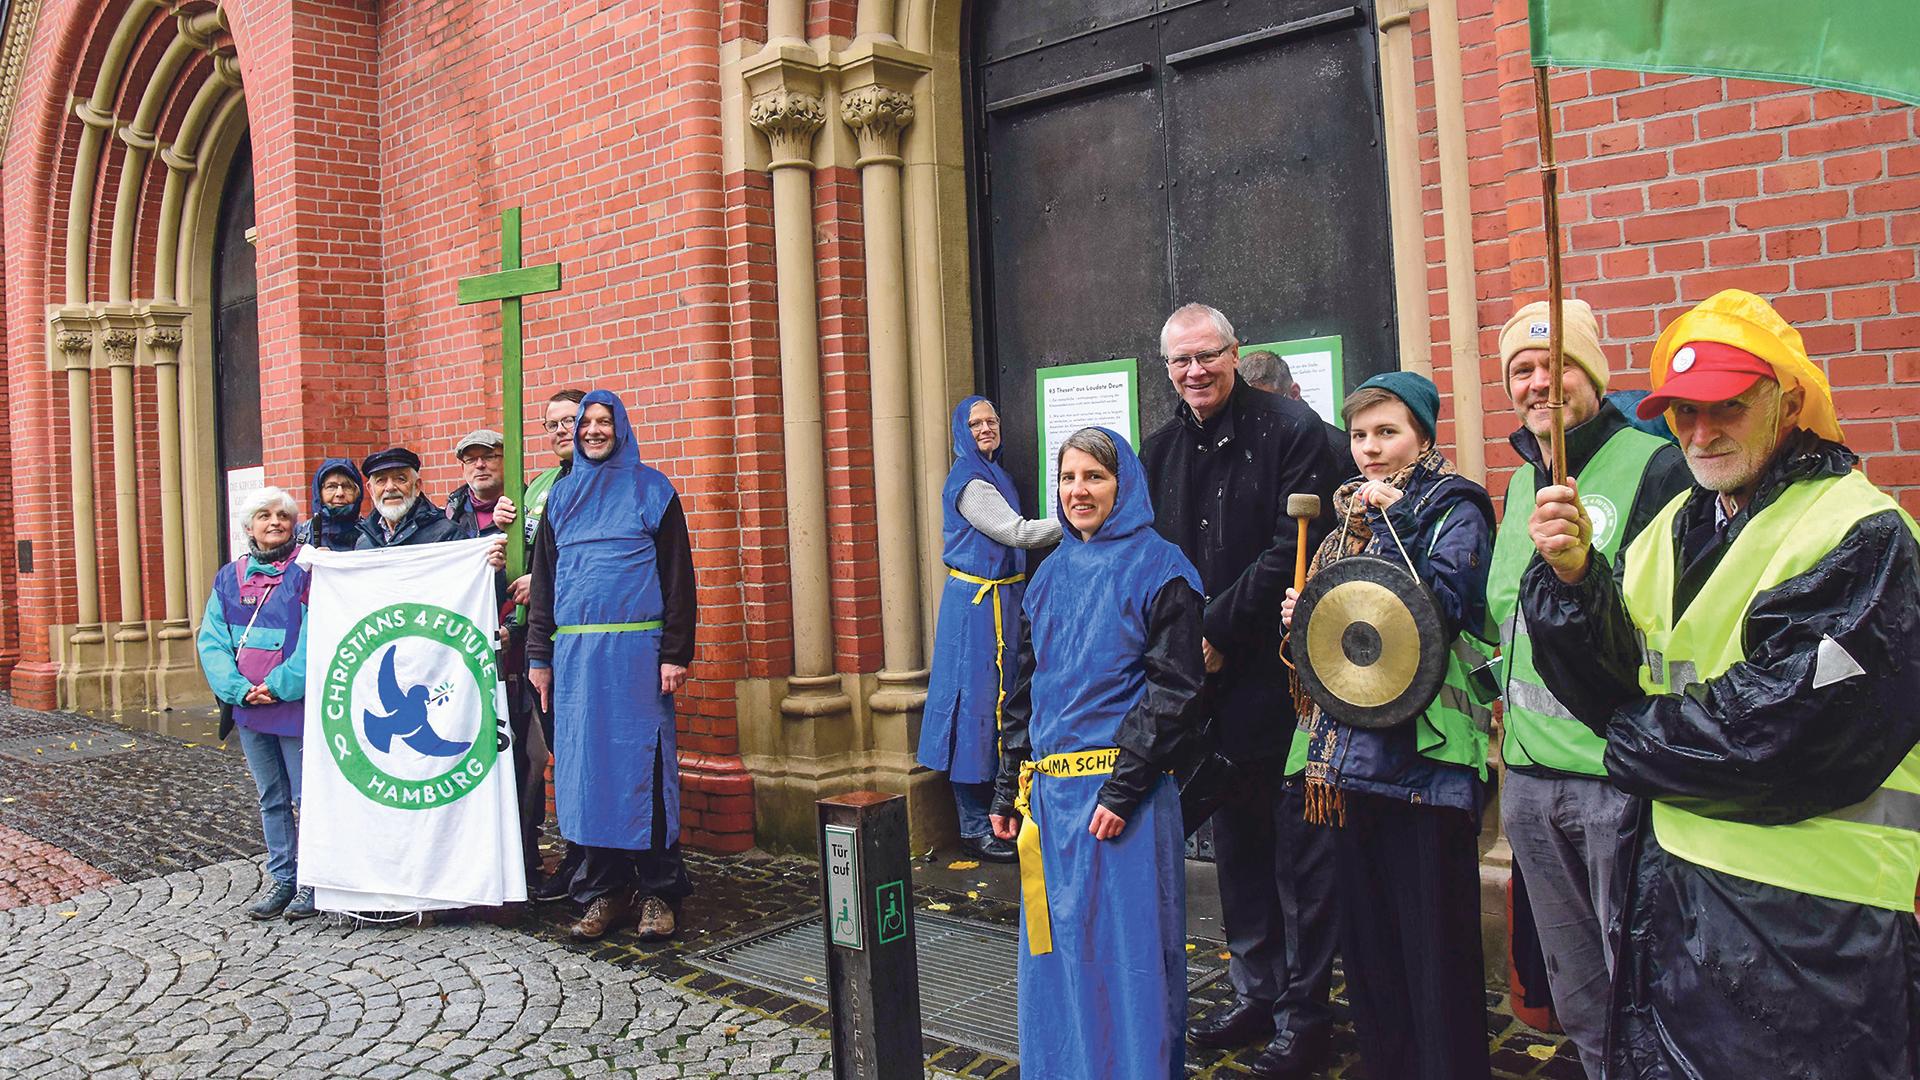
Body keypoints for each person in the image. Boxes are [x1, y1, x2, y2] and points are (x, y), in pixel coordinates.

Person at [1522, 289, 1920, 1079]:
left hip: (1812, 934)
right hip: (1677, 900)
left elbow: (1775, 739)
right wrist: (1573, 584)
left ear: (1789, 402)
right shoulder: (1676, 525)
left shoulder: (1861, 533)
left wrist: (1627, 743)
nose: (1701, 434)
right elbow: (1609, 683)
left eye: (1726, 408)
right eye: (1682, 415)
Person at [1484, 298, 1688, 1080]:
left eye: (1557, 364)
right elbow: (1498, 623)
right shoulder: (1514, 488)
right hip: (1532, 782)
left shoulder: (1655, 465)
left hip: (1616, 779)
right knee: (1579, 992)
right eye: (1522, 370)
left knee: (1644, 986)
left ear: (1593, 375)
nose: (1540, 382)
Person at [1139, 303, 1341, 1078]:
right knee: (1238, 852)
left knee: (1298, 861)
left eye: (1208, 356)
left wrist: (1216, 632)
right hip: (1203, 688)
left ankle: (1304, 1016)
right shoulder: (1158, 452)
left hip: (1278, 679)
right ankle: (1256, 994)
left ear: (1235, 353)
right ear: (1167, 369)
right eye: (1180, 361)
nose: (1195, 371)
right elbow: (1158, 559)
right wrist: (1183, 645)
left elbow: (1285, 551)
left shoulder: (1291, 433)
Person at [1281, 371, 1495, 1080]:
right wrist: (1308, 619)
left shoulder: (1454, 505)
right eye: (1361, 435)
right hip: (1347, 764)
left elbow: (1444, 605)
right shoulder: (1345, 519)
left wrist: (1395, 518)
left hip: (1425, 764)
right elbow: (1352, 639)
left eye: (1387, 432)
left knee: (1436, 955)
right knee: (1370, 955)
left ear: (1424, 436)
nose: (1369, 450)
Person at [989, 426, 1205, 1080]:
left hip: (1122, 806)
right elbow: (1025, 689)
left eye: (1095, 477)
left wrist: (1122, 789)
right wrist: (1007, 787)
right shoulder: (1048, 574)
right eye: (1069, 478)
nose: (1079, 491)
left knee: (1128, 962)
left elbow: (1175, 691)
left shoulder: (1163, 568)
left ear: (1124, 484)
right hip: (1051, 806)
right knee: (1059, 965)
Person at [526, 390, 697, 942]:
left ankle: (657, 893)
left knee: (643, 775)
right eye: (585, 423)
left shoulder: (653, 490)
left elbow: (678, 578)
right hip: (576, 661)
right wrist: (539, 656)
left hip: (637, 658)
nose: (594, 431)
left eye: (603, 422)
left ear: (620, 427)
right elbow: (545, 583)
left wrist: (675, 652)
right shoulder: (561, 498)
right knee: (587, 776)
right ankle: (603, 892)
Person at [919, 396, 1060, 863]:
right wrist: (1080, 520)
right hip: (976, 611)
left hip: (1003, 598)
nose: (986, 428)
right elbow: (1015, 533)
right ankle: (974, 825)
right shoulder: (970, 482)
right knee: (973, 708)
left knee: (1007, 702)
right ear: (962, 430)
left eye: (992, 420)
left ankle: (1004, 815)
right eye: (976, 422)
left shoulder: (995, 473)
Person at [197, 487, 317, 922]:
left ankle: (313, 882)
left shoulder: (309, 570)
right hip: (249, 707)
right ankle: (284, 878)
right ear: (249, 527)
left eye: (283, 515)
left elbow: (315, 635)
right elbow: (212, 640)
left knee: (308, 797)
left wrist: (280, 684)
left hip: (293, 705)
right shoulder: (229, 576)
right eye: (264, 515)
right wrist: (237, 689)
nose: (274, 522)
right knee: (272, 797)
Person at [513, 389, 586, 902]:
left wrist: (538, 584)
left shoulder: (599, 479)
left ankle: (595, 863)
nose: (562, 430)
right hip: (541, 642)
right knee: (560, 751)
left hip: (584, 638)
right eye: (552, 423)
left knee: (585, 756)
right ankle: (579, 860)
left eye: (570, 420)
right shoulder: (538, 484)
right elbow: (527, 550)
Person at [1240, 348, 1347, 464]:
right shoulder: (1240, 444)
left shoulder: (1336, 450)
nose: (1257, 417)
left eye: (1267, 406)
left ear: (1294, 393)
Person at [445, 429, 509, 536]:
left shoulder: (529, 507)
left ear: (507, 462)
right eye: (471, 459)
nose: (479, 465)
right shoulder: (452, 513)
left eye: (489, 457)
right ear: (463, 468)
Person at [297, 459, 364, 552]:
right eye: (331, 487)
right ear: (319, 493)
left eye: (347, 486)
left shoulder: (372, 535)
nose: (340, 493)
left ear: (357, 493)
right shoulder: (302, 535)